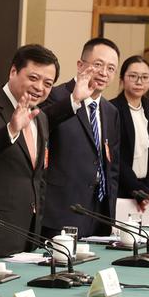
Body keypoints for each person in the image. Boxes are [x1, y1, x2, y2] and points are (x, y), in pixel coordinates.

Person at [0, 44, 59, 257]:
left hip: (30, 230)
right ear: (13, 71)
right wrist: (11, 129)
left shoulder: (40, 117)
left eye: (48, 83)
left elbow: (39, 175)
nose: (40, 87)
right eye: (33, 78)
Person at [40, 38, 121, 239]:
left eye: (111, 68)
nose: (104, 73)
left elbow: (112, 166)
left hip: (98, 216)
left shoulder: (111, 112)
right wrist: (74, 101)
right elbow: (39, 127)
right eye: (98, 64)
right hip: (60, 214)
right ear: (80, 65)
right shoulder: (56, 96)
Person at [110, 56, 149, 211]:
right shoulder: (111, 109)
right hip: (121, 190)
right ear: (122, 79)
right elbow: (114, 156)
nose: (139, 82)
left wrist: (148, 189)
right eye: (133, 76)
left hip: (148, 193)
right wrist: (137, 189)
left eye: (145, 77)